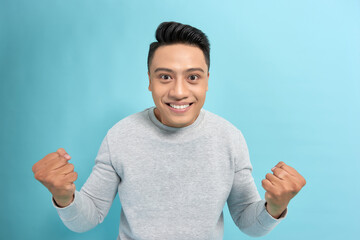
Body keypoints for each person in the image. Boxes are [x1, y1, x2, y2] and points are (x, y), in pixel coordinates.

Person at [32, 21, 306, 240]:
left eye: (193, 77)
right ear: (149, 81)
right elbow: (88, 218)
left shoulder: (229, 138)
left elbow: (248, 221)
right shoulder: (120, 136)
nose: (178, 91)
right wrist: (64, 196)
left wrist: (276, 206)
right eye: (165, 77)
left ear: (207, 81)